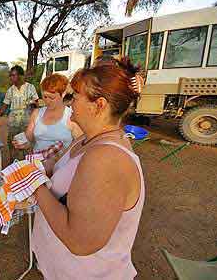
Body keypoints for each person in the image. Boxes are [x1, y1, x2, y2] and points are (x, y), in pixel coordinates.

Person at [31, 59, 144, 280]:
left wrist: (34, 185)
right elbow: (59, 169)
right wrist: (41, 167)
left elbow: (79, 241)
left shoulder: (108, 158)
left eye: (75, 96)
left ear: (99, 105)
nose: (69, 102)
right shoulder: (87, 139)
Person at [12, 74, 82, 152]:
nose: (47, 101)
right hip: (37, 162)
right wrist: (22, 144)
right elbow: (29, 140)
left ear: (63, 94)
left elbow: (81, 146)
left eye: (52, 98)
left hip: (61, 163)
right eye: (45, 97)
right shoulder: (37, 114)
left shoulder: (71, 116)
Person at [0, 65, 39, 160]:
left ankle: (27, 164)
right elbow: (4, 106)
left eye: (13, 75)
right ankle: (14, 163)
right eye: (10, 75)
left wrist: (32, 105)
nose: (11, 77)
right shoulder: (10, 90)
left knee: (26, 143)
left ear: (20, 76)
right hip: (13, 122)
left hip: (27, 121)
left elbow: (36, 103)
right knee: (12, 143)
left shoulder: (30, 88)